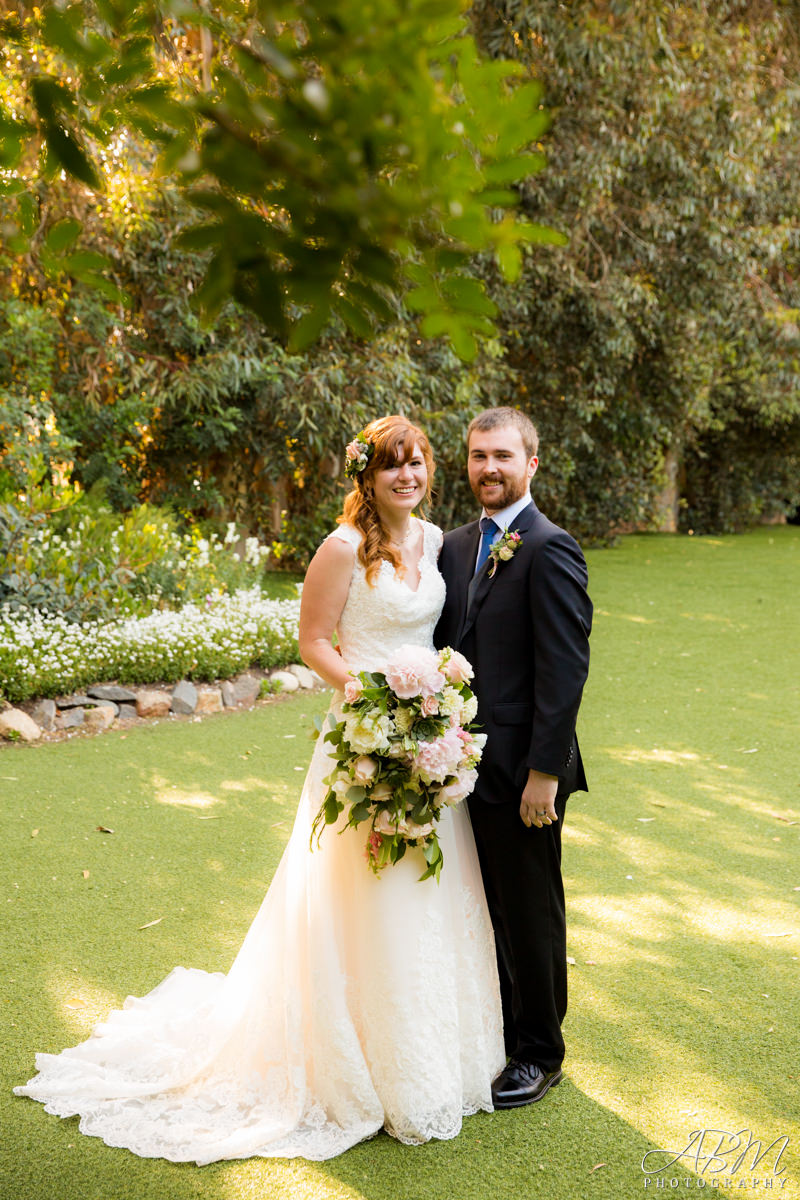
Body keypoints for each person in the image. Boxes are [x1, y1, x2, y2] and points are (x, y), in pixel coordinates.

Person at [14, 415, 505, 1162]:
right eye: (390, 467)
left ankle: (436, 1055)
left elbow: (442, 638)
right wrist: (375, 698)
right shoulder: (342, 548)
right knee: (364, 888)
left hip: (429, 739)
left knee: (426, 886)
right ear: (366, 477)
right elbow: (313, 639)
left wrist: (430, 705)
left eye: (417, 464)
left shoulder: (437, 541)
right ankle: (354, 1064)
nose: (406, 477)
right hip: (366, 741)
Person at [435, 406, 592, 1109]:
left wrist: (545, 775)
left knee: (530, 911)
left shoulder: (550, 547)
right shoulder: (456, 544)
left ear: (531, 463)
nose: (488, 468)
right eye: (477, 456)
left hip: (526, 772)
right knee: (483, 905)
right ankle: (498, 1031)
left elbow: (564, 671)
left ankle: (540, 1052)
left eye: (502, 455)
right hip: (460, 765)